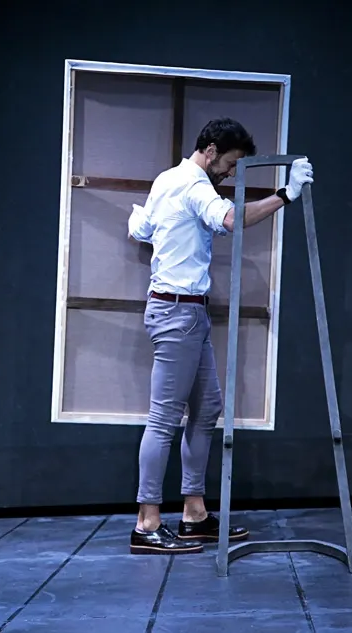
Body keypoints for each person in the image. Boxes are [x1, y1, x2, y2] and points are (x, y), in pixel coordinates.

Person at [126, 117, 314, 555]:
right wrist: (286, 195)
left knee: (207, 407)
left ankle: (194, 514)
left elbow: (144, 228)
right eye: (229, 163)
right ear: (210, 151)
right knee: (163, 419)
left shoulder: (167, 179)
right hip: (177, 313)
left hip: (187, 313)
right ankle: (146, 523)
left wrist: (145, 227)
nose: (230, 172)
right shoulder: (194, 186)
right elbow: (232, 219)